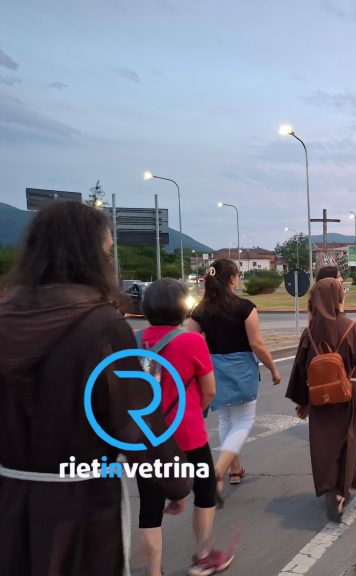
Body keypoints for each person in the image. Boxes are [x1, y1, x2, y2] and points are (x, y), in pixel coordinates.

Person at [0, 201, 191, 575]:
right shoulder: (100, 325)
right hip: (80, 508)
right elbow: (136, 422)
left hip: (9, 500)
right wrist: (176, 481)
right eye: (107, 251)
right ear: (90, 255)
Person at [137, 279, 233, 576]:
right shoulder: (192, 341)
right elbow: (209, 391)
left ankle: (153, 572)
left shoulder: (134, 339)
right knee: (204, 493)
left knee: (149, 509)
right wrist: (195, 411)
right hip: (187, 434)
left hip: (147, 438)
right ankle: (203, 556)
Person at [286, 279, 356, 521]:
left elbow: (301, 369)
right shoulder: (354, 329)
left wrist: (303, 402)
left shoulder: (308, 333)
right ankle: (341, 492)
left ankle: (331, 488)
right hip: (350, 394)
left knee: (325, 444)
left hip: (320, 396)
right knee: (351, 439)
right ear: (338, 298)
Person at [187, 259, 282, 501]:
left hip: (214, 369)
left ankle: (235, 469)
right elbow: (256, 343)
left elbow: (188, 340)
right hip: (241, 368)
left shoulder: (200, 309)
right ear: (231, 278)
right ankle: (219, 470)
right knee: (245, 419)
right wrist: (272, 368)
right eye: (237, 275)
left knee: (227, 417)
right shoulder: (245, 307)